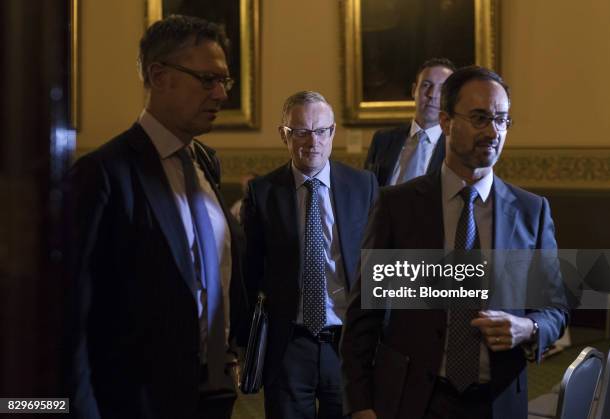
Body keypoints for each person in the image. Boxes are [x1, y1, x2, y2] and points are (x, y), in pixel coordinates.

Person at [341, 66, 568, 419]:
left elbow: (556, 308)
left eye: (502, 120)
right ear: (446, 122)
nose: (493, 131)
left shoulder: (531, 212)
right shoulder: (397, 206)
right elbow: (363, 316)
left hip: (498, 401)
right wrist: (361, 404)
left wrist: (529, 328)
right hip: (412, 400)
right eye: (480, 118)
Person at [68, 15, 246, 419]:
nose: (221, 94)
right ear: (160, 75)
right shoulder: (103, 173)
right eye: (207, 80)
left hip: (214, 394)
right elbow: (73, 317)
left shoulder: (204, 162)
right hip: (139, 401)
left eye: (225, 81)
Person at [241, 91, 378, 419]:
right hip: (289, 343)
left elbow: (378, 261)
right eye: (300, 131)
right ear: (284, 135)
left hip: (347, 343)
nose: (312, 141)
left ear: (332, 133)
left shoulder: (364, 186)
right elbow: (249, 272)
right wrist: (242, 343)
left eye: (321, 131)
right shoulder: (263, 193)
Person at [364, 58, 455, 186]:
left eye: (442, 89)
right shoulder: (382, 140)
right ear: (414, 90)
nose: (432, 94)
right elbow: (367, 190)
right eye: (426, 85)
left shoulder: (456, 148)